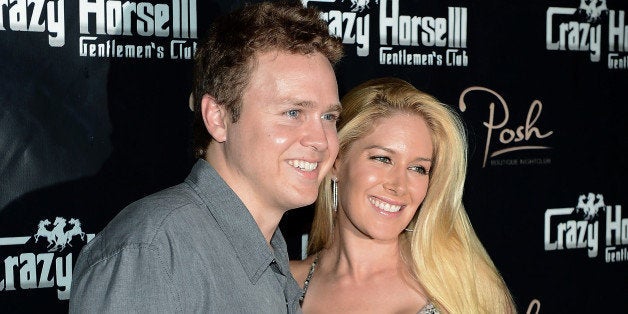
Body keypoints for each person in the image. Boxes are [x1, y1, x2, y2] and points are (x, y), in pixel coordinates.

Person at [69, 1, 344, 313]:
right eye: (293, 112)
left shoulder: (269, 250)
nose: (321, 140)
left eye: (329, 117)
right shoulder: (153, 256)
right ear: (217, 118)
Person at [290, 77, 516, 313]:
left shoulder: (466, 285)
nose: (399, 185)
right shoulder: (285, 286)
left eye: (418, 168)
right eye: (382, 159)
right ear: (336, 162)